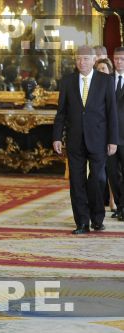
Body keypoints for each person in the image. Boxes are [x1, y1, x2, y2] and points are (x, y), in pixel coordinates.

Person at [53, 45, 118, 234]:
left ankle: (97, 217)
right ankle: (82, 222)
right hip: (74, 140)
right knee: (76, 181)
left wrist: (112, 140)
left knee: (97, 179)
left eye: (86, 59)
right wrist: (57, 137)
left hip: (99, 140)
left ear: (93, 61)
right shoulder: (67, 81)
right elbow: (61, 113)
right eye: (79, 59)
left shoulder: (105, 81)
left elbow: (111, 113)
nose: (82, 62)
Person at [95, 58, 118, 214]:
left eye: (104, 68)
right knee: (102, 173)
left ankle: (114, 200)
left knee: (113, 172)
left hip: (112, 135)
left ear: (110, 71)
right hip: (97, 136)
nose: (101, 71)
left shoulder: (112, 86)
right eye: (99, 69)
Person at [107, 47, 124, 221]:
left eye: (122, 59)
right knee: (112, 174)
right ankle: (119, 206)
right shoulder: (106, 80)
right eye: (116, 59)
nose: (119, 62)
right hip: (110, 137)